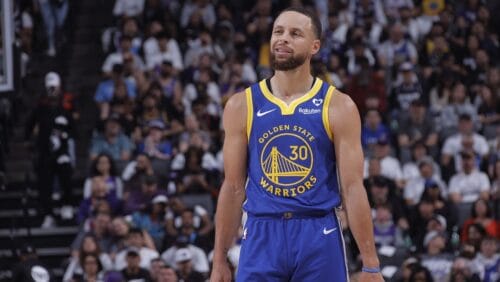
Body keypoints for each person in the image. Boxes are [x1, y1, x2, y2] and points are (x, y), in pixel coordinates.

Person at [211, 7, 382, 282]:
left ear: (315, 46)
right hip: (261, 231)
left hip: (319, 231)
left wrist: (370, 264)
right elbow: (232, 187)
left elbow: (352, 188)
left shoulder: (339, 106)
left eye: (295, 34)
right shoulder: (241, 105)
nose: (283, 39)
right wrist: (219, 258)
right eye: (278, 32)